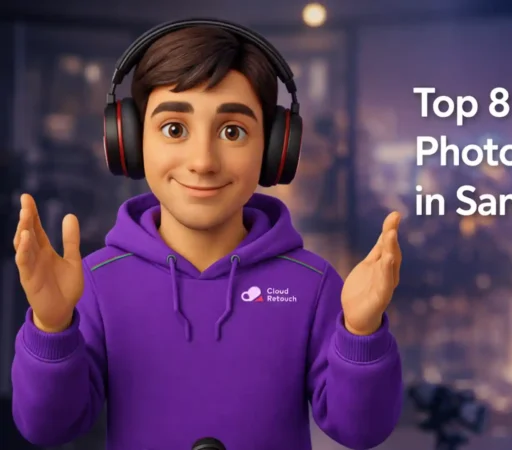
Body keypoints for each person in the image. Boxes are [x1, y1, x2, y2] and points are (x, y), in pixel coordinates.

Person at [10, 23, 404, 450]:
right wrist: (52, 328)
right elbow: (48, 429)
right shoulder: (95, 281)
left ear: (275, 149)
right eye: (174, 129)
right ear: (130, 140)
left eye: (232, 131)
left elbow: (360, 431)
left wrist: (361, 332)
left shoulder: (312, 283)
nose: (202, 162)